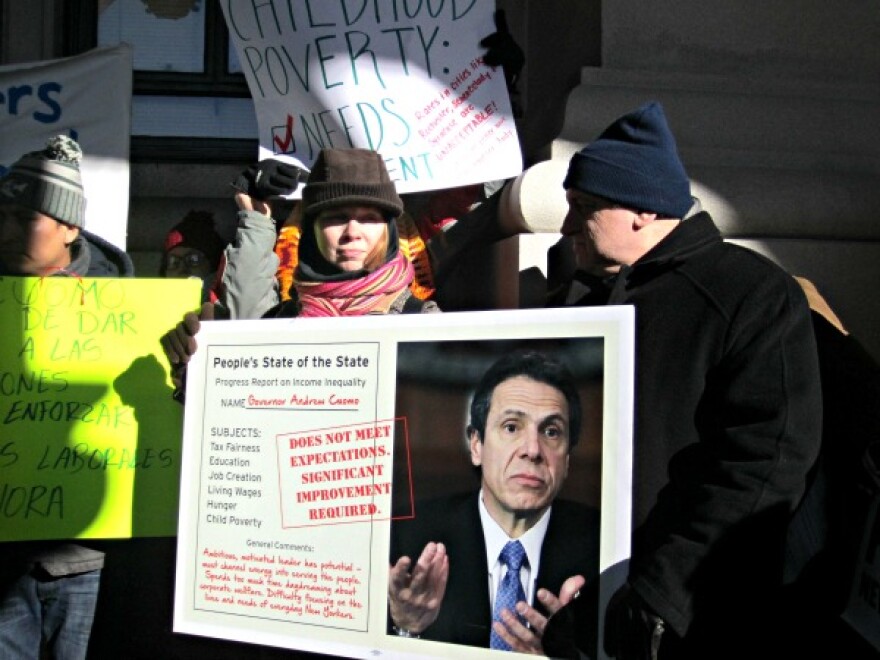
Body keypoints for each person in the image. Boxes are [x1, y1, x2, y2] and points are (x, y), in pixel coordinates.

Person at [555, 101, 823, 659]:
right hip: (580, 605)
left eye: (581, 207)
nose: (564, 226)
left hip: (682, 622)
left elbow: (764, 463)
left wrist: (662, 596)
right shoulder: (580, 295)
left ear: (642, 212)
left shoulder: (751, 294)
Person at [0, 135, 134, 660]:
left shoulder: (127, 309)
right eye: (2, 215)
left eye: (25, 218)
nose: (6, 231)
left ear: (70, 228)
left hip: (87, 561)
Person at [161, 148, 438, 392]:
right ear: (311, 231)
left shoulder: (426, 324)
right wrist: (197, 376)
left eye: (369, 219)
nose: (352, 232)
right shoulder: (279, 321)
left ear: (389, 232)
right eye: (336, 218)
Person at [388, 350, 600, 654]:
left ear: (566, 461)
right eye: (512, 427)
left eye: (551, 431)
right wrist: (407, 628)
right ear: (476, 445)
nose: (532, 450)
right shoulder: (407, 538)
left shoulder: (604, 551)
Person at [160, 209, 228, 302]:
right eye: (173, 262)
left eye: (193, 260)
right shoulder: (151, 307)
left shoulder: (227, 311)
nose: (182, 269)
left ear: (213, 266)